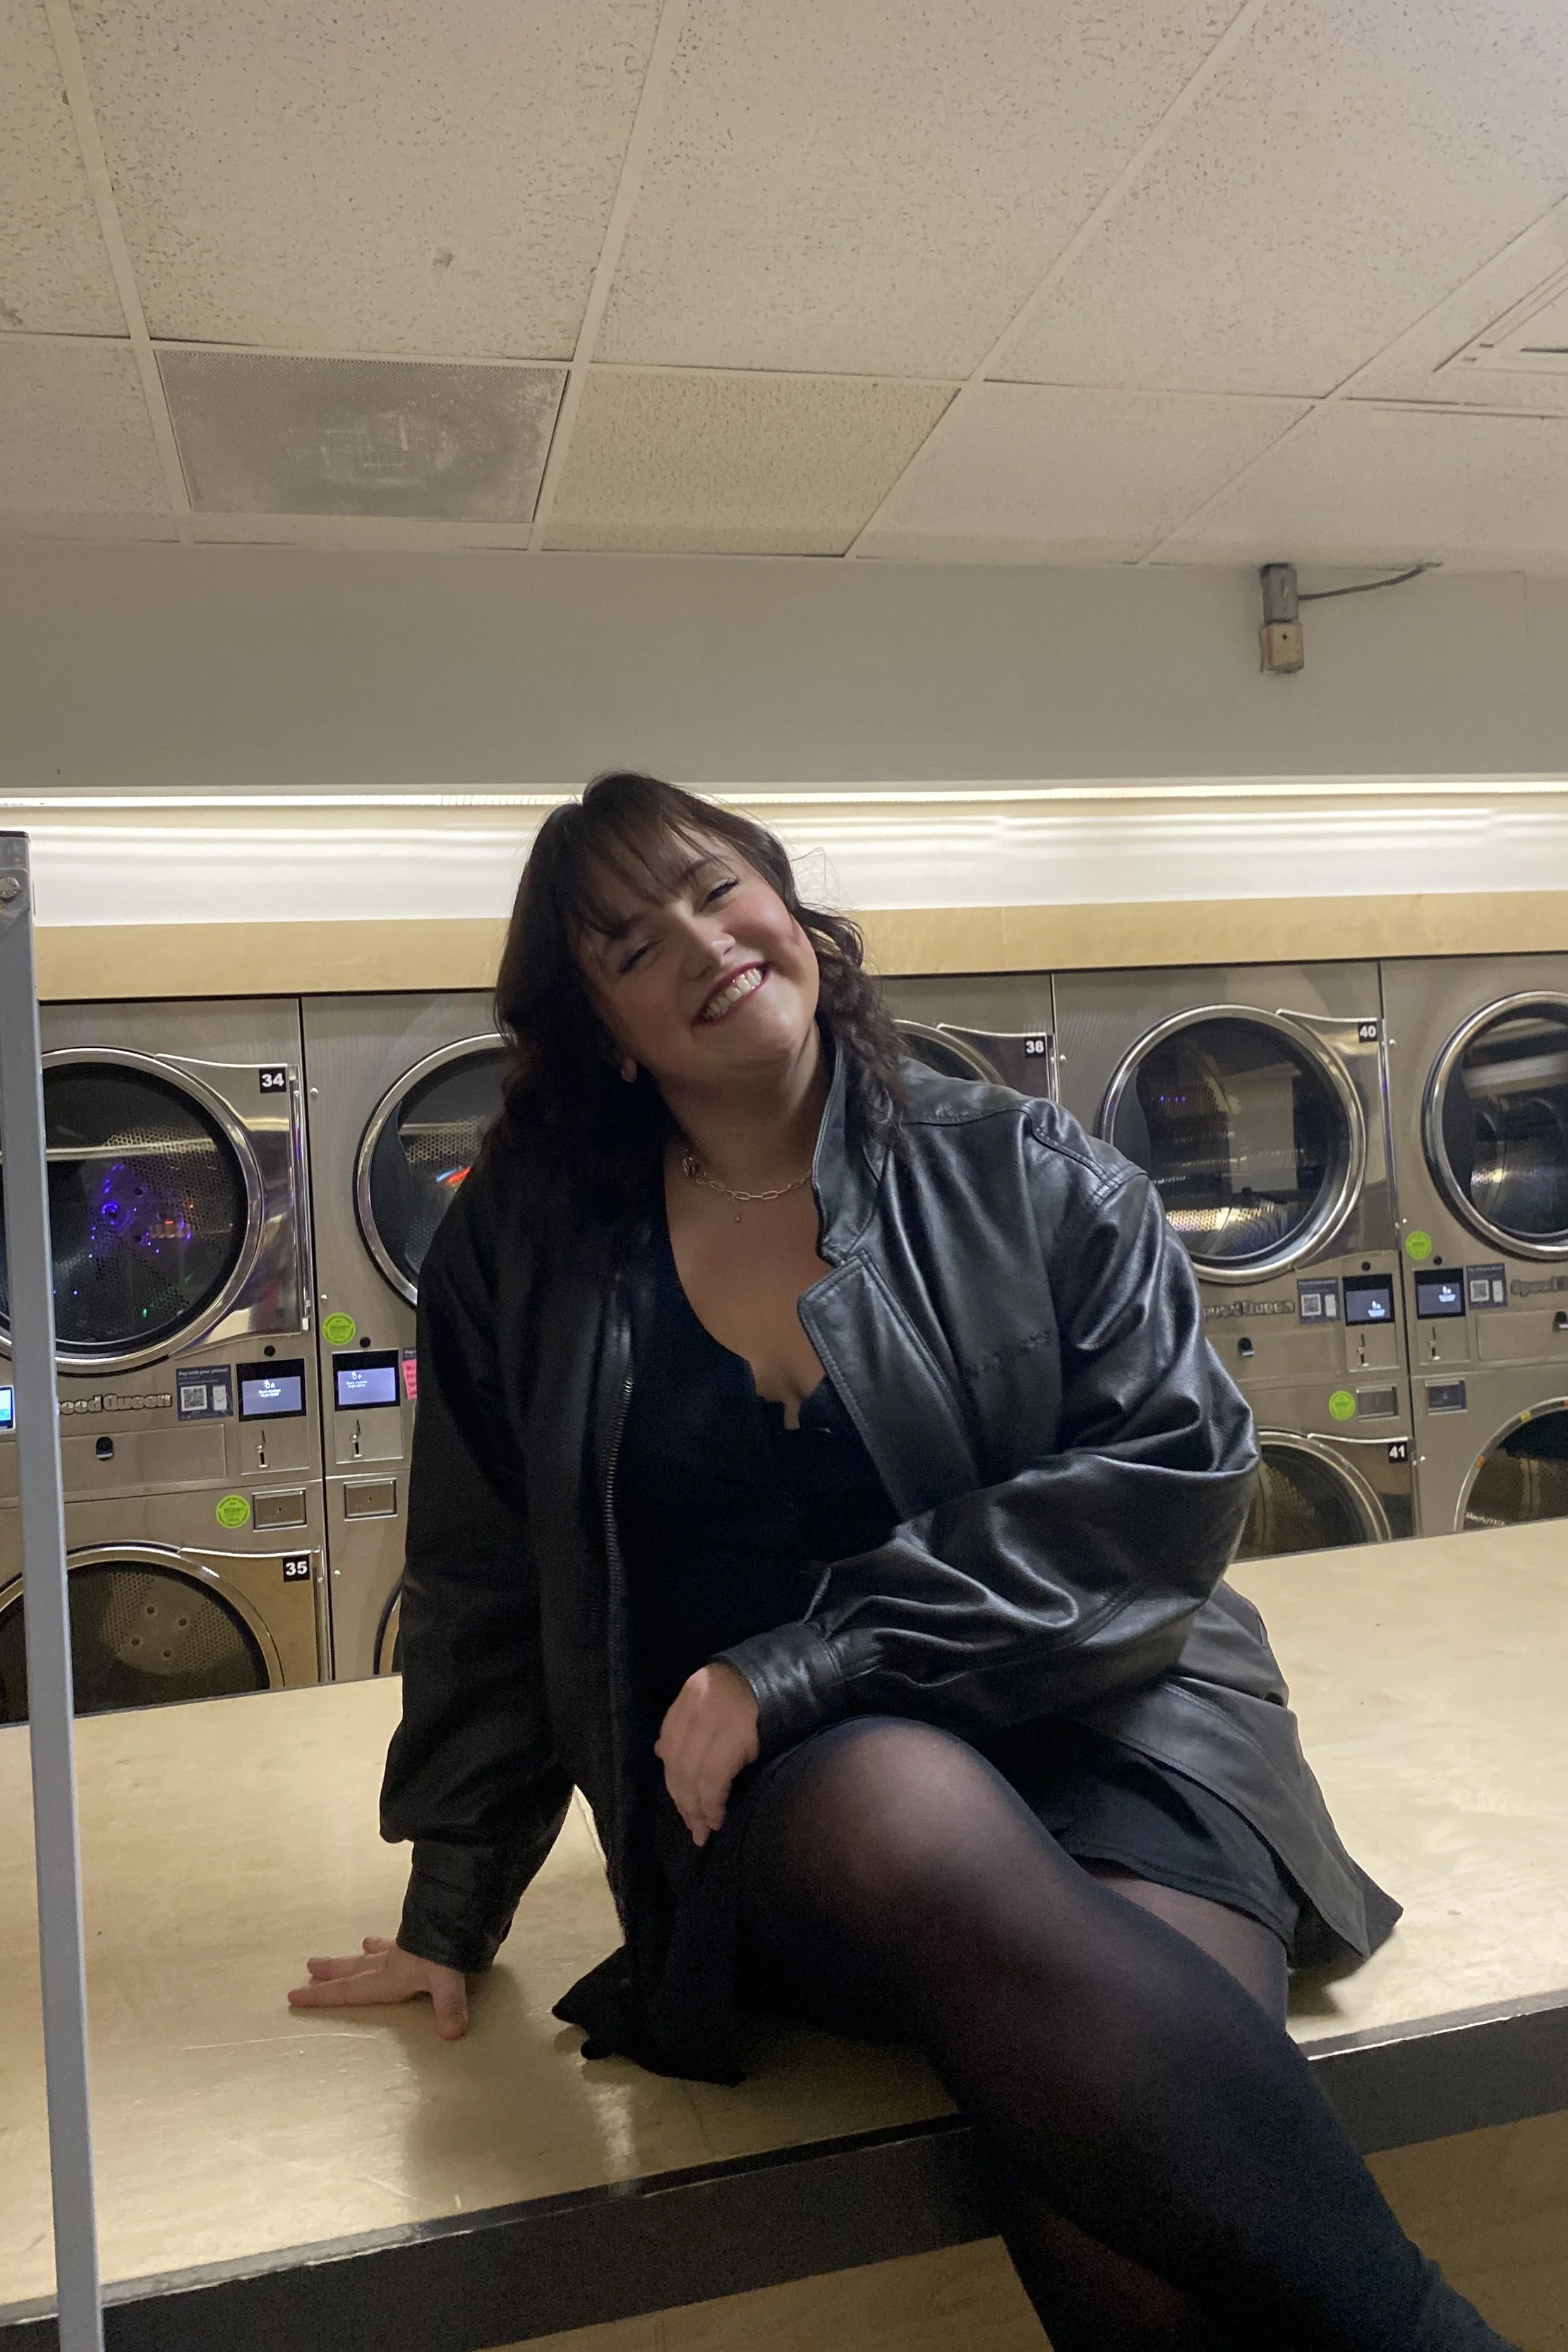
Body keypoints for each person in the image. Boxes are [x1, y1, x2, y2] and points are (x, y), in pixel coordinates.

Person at [291, 773, 1514, 2351]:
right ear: (601, 1027)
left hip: (1116, 1722)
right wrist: (452, 1903)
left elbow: (1172, 1479)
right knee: (901, 1798)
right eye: (633, 944)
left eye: (717, 890)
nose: (704, 944)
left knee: (1118, 2156)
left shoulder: (1022, 1163)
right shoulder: (522, 1242)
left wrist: (804, 1657)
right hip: (801, 1814)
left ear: (790, 911)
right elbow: (483, 1579)